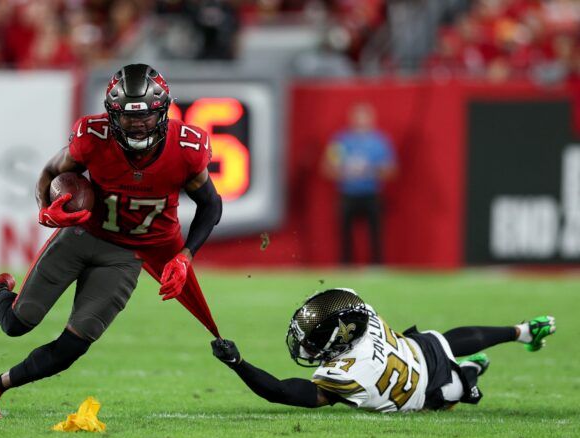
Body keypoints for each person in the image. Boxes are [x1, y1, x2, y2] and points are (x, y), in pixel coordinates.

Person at [0, 63, 223, 419]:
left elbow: (210, 204)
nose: (138, 124)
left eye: (146, 115)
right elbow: (51, 173)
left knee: (72, 347)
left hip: (127, 254)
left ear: (163, 110)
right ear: (112, 114)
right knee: (18, 323)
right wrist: (46, 211)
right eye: (128, 117)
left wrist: (185, 256)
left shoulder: (187, 147)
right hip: (81, 236)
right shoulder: (92, 136)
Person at [211, 288, 556, 412]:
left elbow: (283, 392)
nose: (307, 343)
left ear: (341, 341)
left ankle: (470, 372)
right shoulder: (360, 310)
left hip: (430, 388)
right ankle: (522, 330)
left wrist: (239, 363)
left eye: (315, 338)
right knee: (442, 340)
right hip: (414, 349)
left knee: (457, 389)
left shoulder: (346, 373)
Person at [322, 103, 396, 264]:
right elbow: (327, 168)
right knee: (344, 234)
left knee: (375, 233)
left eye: (365, 117)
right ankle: (346, 264)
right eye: (358, 117)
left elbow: (390, 171)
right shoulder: (341, 141)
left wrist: (369, 170)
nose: (361, 121)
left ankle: (377, 265)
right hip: (348, 194)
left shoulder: (380, 142)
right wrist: (346, 171)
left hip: (371, 194)